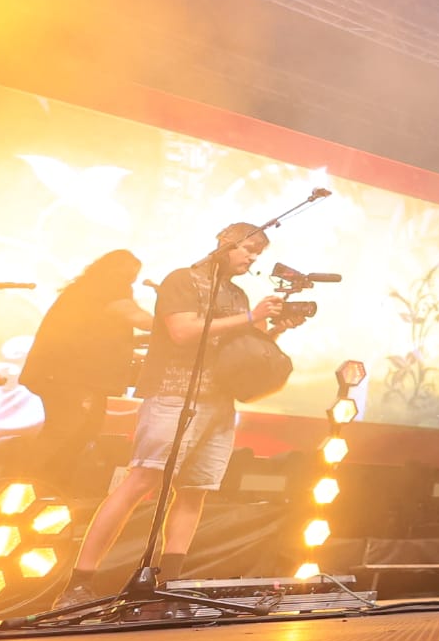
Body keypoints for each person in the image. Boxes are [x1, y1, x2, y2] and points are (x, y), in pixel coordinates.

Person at [53, 223, 285, 609]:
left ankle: (171, 583)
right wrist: (250, 318)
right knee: (141, 480)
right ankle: (80, 581)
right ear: (224, 244)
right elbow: (181, 331)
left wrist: (273, 330)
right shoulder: (182, 280)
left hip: (220, 401)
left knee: (195, 491)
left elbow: (242, 349)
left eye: (258, 252)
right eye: (247, 248)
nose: (252, 257)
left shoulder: (237, 294)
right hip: (174, 393)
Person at [17, 250, 153, 489]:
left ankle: (49, 488)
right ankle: (23, 487)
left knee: (79, 432)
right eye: (131, 272)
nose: (133, 278)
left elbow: (95, 336)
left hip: (67, 374)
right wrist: (178, 323)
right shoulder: (108, 285)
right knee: (65, 432)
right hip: (69, 376)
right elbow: (137, 318)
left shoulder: (86, 290)